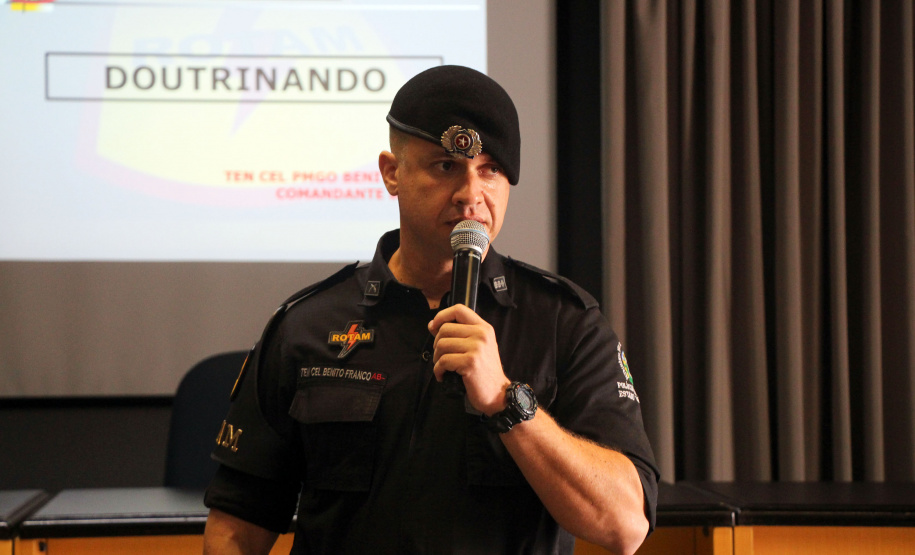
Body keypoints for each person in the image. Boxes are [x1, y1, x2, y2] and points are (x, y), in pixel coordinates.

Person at [203, 65, 659, 555]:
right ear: (391, 173)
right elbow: (236, 528)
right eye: (446, 166)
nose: (471, 194)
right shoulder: (306, 324)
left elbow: (625, 525)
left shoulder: (564, 322)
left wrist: (509, 403)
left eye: (491, 170)